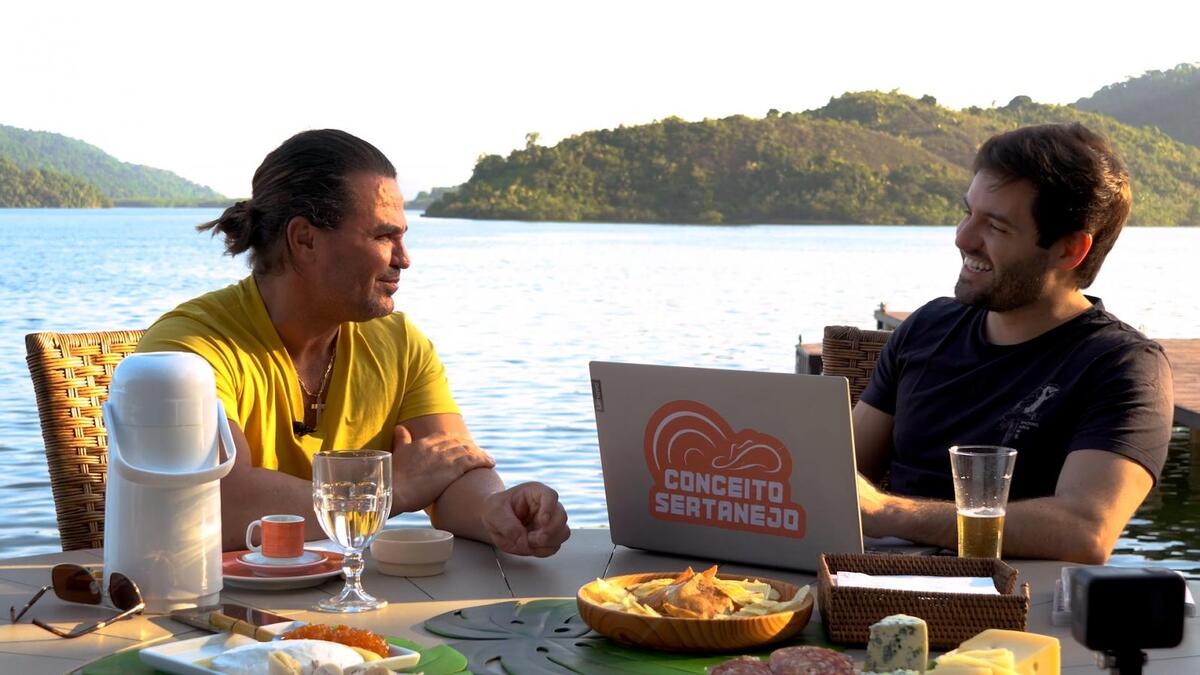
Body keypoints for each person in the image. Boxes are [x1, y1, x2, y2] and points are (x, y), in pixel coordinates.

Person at [137, 129, 570, 556]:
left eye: (402, 236)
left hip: (349, 603)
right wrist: (386, 490)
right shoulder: (187, 352)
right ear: (304, 239)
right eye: (384, 236)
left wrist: (496, 510)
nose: (403, 258)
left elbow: (452, 467)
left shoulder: (399, 343)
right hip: (209, 610)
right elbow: (216, 503)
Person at [853, 122, 1174, 564]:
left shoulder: (1121, 366)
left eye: (996, 227)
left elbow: (1086, 530)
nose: (963, 237)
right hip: (866, 584)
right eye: (967, 212)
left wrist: (892, 513)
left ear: (1069, 250)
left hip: (1010, 609)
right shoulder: (927, 327)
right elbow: (841, 472)